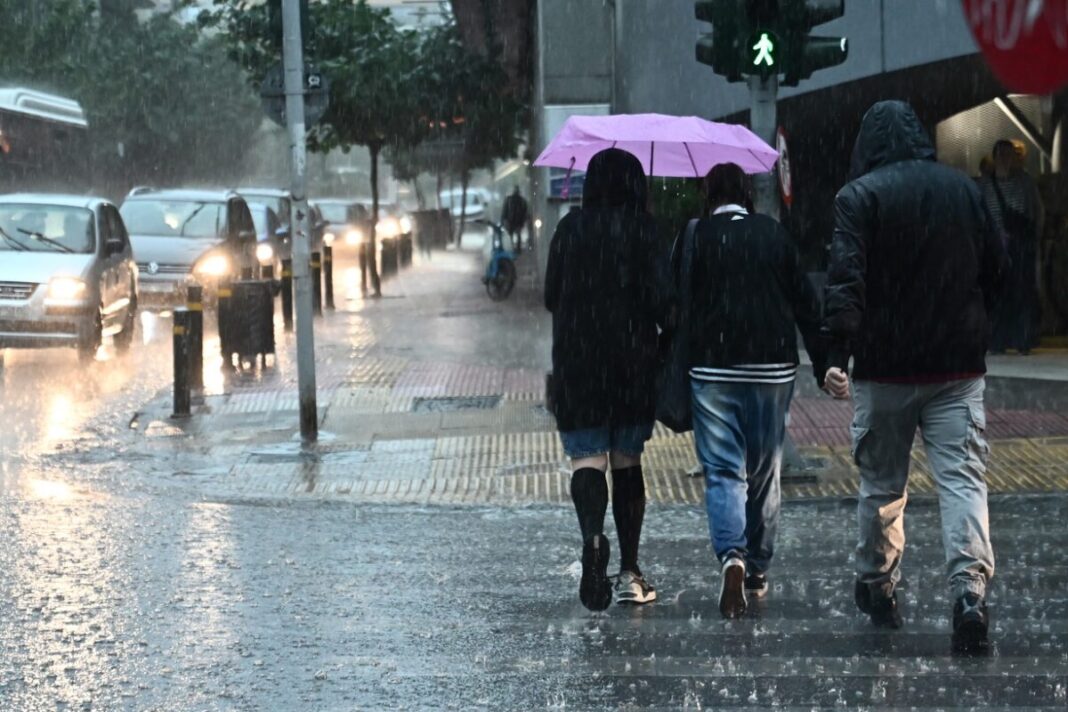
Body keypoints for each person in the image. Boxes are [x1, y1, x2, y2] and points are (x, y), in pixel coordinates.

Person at [823, 100, 1007, 653]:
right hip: (957, 367)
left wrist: (837, 352)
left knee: (883, 485)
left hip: (885, 368)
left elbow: (846, 278)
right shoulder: (964, 190)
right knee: (963, 480)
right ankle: (969, 592)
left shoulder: (858, 196)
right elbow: (999, 265)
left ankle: (879, 585)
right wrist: (975, 320)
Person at [679, 163, 823, 619]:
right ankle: (758, 567)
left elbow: (673, 301)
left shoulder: (696, 237)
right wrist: (827, 361)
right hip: (771, 366)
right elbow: (805, 301)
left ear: (708, 196)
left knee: (723, 470)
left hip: (712, 367)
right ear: (748, 195)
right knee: (764, 470)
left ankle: (733, 557)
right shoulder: (772, 234)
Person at [544, 148, 667, 611]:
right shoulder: (645, 230)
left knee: (587, 461)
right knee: (626, 460)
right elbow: (664, 302)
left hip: (578, 365)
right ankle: (630, 572)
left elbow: (551, 296)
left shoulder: (568, 230)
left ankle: (593, 539)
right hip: (633, 366)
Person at [978, 139, 1045, 354]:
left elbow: (1037, 213)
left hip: (1020, 248)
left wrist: (1033, 241)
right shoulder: (986, 185)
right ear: (995, 158)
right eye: (1002, 155)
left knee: (1020, 294)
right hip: (997, 248)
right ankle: (1001, 339)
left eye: (1009, 155)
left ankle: (1020, 339)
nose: (1006, 160)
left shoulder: (1025, 183)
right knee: (1001, 294)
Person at [501, 186, 530, 252]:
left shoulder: (510, 200)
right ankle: (516, 249)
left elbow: (505, 210)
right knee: (514, 235)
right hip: (514, 221)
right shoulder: (519, 200)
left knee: (514, 236)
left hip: (514, 221)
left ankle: (515, 249)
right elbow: (525, 211)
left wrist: (504, 220)